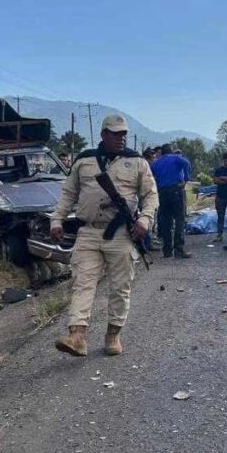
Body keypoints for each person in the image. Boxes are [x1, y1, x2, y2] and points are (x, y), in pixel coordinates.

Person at [50, 115, 158, 357]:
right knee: (82, 284)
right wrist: (57, 220)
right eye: (116, 133)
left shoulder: (137, 162)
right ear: (104, 135)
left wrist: (145, 219)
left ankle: (113, 334)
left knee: (120, 288)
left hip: (121, 234)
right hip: (88, 232)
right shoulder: (84, 160)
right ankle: (77, 336)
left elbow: (151, 195)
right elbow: (68, 194)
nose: (121, 138)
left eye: (124, 134)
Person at [151, 143, 192, 259]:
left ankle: (167, 251)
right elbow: (187, 163)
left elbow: (151, 175)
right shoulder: (177, 158)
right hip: (176, 190)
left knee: (165, 221)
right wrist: (186, 179)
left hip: (162, 192)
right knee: (179, 219)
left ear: (162, 152)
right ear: (171, 151)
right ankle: (179, 249)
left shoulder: (156, 163)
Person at [212, 153, 227, 241]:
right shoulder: (219, 169)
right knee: (220, 216)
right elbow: (215, 180)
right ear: (223, 160)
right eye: (225, 159)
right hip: (220, 196)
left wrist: (222, 178)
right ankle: (219, 234)